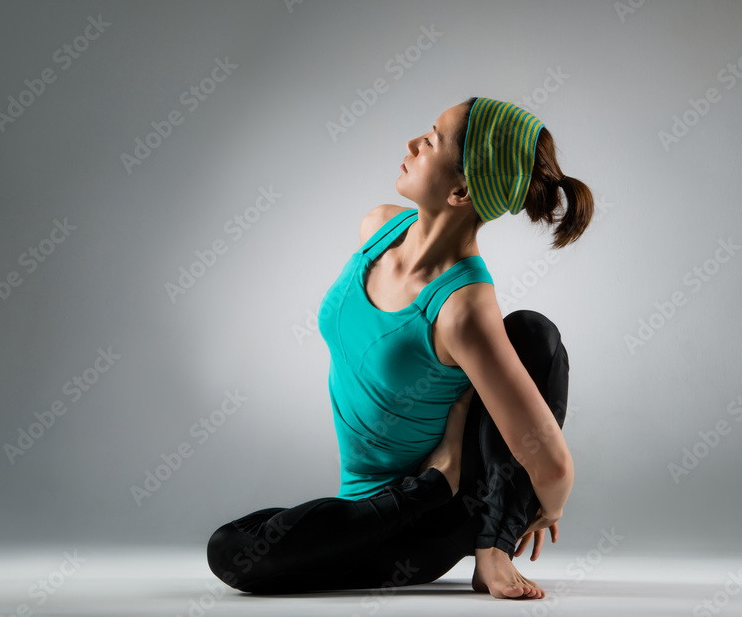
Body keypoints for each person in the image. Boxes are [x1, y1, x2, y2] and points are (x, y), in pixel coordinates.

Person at [207, 97, 595, 600]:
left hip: (424, 526)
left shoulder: (463, 308)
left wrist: (541, 508)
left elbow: (556, 467)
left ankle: (487, 540)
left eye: (432, 140)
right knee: (231, 543)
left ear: (460, 190)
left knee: (533, 333)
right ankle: (429, 491)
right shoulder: (379, 227)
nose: (413, 144)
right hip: (363, 504)